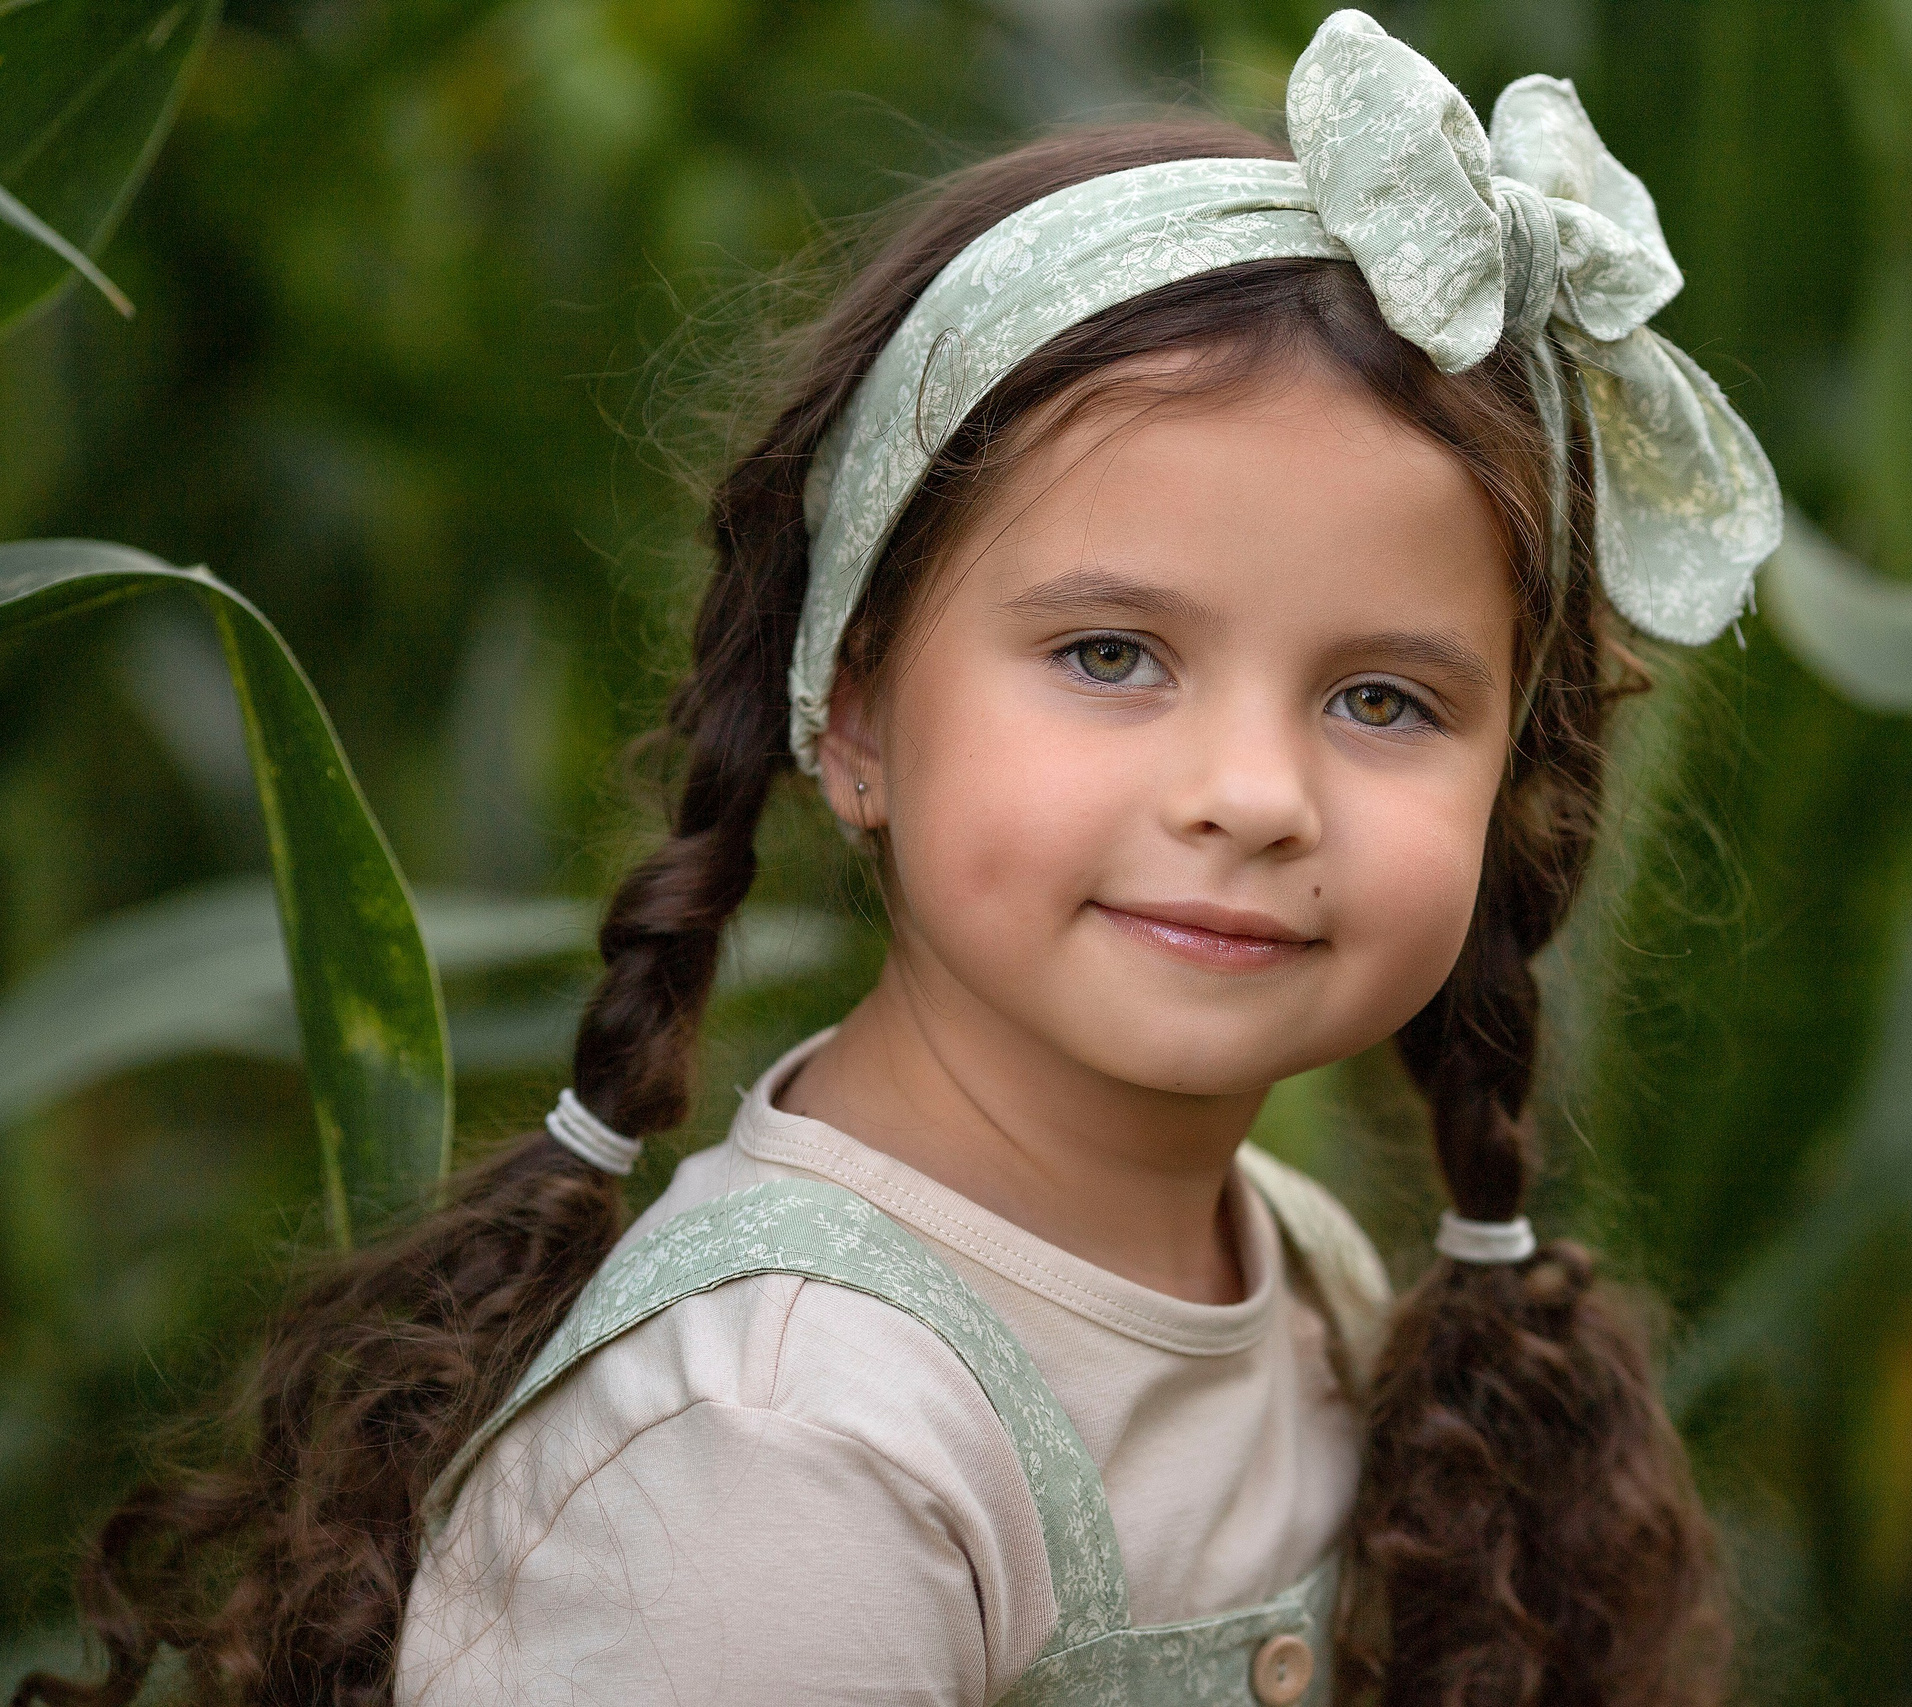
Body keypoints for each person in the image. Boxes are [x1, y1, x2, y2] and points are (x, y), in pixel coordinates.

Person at [20, 12, 1780, 1706]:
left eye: (1385, 699)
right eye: (1111, 656)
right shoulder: (781, 1454)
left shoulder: (1301, 1270)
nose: (1254, 794)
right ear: (850, 707)